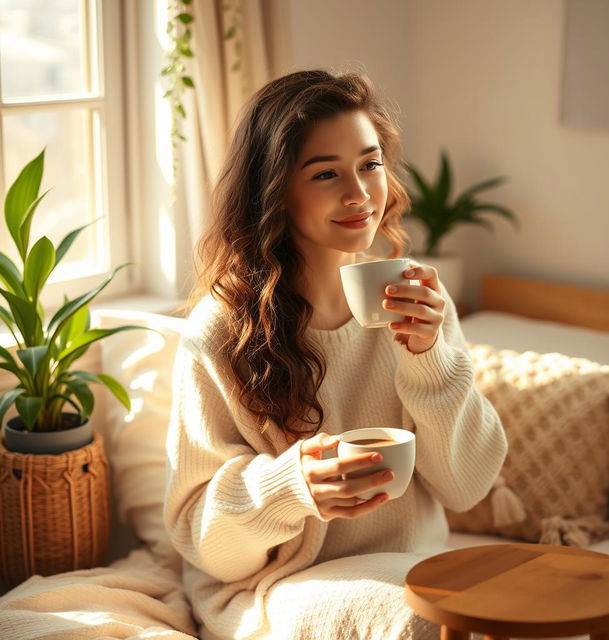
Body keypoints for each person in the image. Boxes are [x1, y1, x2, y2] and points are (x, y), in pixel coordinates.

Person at [164, 69, 507, 640]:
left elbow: (468, 486)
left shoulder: (419, 301)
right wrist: (292, 487)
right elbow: (206, 545)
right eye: (326, 173)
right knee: (430, 626)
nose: (360, 193)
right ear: (275, 190)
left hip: (411, 571)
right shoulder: (220, 332)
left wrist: (428, 359)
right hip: (276, 588)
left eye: (370, 165)